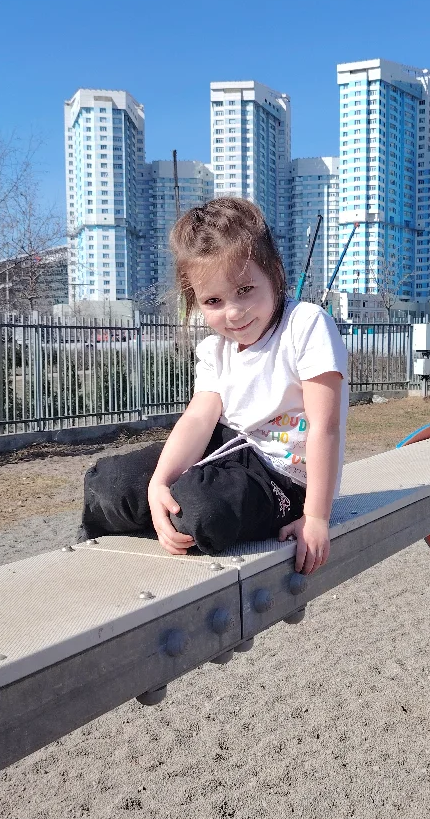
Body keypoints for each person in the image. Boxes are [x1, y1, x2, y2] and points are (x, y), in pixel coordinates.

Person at [79, 197, 348, 575]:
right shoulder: (215, 349)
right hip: (226, 447)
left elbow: (325, 426)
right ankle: (107, 557)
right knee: (110, 483)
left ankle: (179, 524)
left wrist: (316, 517)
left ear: (274, 271)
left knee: (202, 510)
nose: (234, 313)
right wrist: (159, 482)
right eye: (214, 300)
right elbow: (198, 419)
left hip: (284, 476)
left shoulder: (305, 325)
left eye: (245, 289)